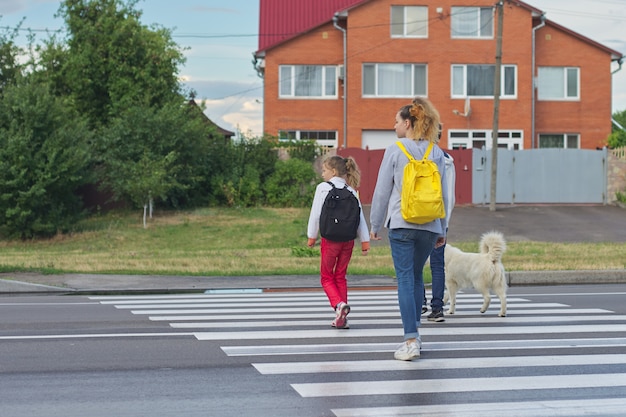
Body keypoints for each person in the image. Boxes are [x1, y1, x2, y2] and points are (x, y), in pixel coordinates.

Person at [370, 97, 450, 360]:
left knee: (405, 278)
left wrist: (374, 224)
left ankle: (410, 339)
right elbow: (444, 195)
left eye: (396, 122)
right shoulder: (436, 151)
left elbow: (382, 191)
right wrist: (442, 228)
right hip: (429, 225)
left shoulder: (395, 149)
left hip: (402, 223)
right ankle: (416, 334)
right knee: (417, 277)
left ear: (407, 122)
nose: (394, 127)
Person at [307, 155, 370, 329]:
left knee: (326, 277)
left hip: (330, 240)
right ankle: (342, 317)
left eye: (324, 170)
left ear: (333, 171)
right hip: (347, 242)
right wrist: (365, 241)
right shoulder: (351, 191)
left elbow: (316, 214)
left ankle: (338, 306)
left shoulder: (323, 188)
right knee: (340, 276)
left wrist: (312, 236)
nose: (322, 174)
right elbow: (360, 219)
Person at [423, 150, 456, 323]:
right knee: (437, 265)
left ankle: (419, 300)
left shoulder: (416, 154)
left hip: (418, 216)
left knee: (415, 262)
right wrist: (445, 224)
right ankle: (437, 308)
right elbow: (449, 197)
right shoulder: (448, 161)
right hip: (440, 218)